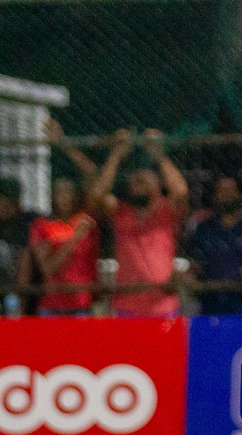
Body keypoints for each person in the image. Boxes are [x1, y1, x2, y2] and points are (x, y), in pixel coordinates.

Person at [58, 123, 188, 317]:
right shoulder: (121, 211)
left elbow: (181, 191)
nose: (137, 185)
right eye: (134, 182)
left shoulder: (166, 210)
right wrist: (116, 154)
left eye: (143, 181)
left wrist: (159, 154)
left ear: (158, 183)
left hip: (163, 307)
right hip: (127, 307)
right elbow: (96, 195)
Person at [184, 174, 242, 316]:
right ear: (214, 197)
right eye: (222, 191)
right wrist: (188, 279)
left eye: (232, 190)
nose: (228, 195)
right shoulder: (203, 230)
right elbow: (195, 269)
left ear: (239, 194)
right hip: (212, 311)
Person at [28, 177, 100, 316]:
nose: (65, 196)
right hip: (52, 306)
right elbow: (48, 268)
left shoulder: (87, 220)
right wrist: (74, 238)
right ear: (52, 196)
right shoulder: (42, 226)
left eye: (69, 191)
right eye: (60, 192)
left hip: (82, 305)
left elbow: (95, 180)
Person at [0, 176, 38, 315]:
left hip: (22, 289)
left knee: (26, 257)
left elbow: (27, 262)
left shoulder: (27, 222)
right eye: (1, 202)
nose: (5, 208)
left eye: (10, 203)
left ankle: (17, 318)